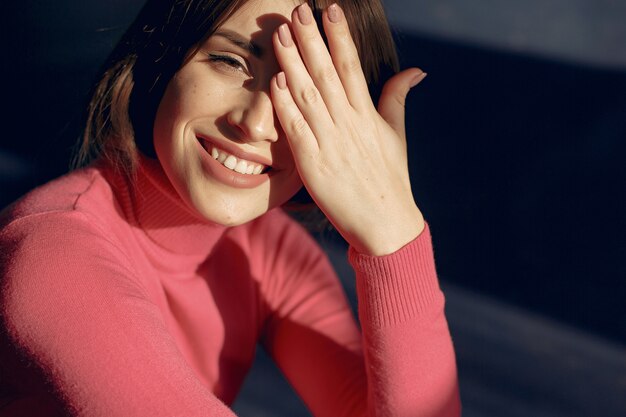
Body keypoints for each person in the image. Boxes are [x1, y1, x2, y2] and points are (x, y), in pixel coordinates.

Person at [0, 0, 461, 415]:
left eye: (306, 94)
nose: (255, 123)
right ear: (163, 59)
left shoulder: (268, 251)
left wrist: (395, 234)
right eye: (229, 61)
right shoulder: (51, 253)